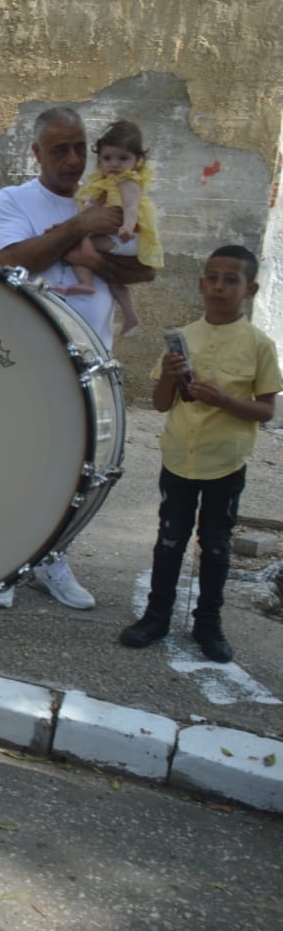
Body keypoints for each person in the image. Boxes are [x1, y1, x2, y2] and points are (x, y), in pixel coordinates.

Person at [0, 106, 156, 610]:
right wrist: (78, 227)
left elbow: (144, 269)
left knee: (73, 469)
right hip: (24, 359)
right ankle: (3, 563)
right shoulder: (16, 199)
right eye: (60, 149)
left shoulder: (108, 191)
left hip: (90, 359)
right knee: (15, 462)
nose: (75, 159)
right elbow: (11, 261)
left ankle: (52, 558)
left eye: (81, 147)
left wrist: (91, 254)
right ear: (36, 153)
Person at [120, 245, 279, 663]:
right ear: (200, 284)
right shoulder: (183, 338)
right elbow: (159, 404)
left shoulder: (259, 346)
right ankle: (156, 617)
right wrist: (169, 378)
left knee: (216, 546)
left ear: (250, 289)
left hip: (225, 462)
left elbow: (265, 410)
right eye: (212, 278)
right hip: (179, 458)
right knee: (169, 540)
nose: (219, 287)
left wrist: (226, 400)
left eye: (231, 280)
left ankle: (208, 624)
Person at [69, 119, 163, 337]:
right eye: (108, 158)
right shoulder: (104, 183)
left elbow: (131, 208)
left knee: (74, 244)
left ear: (137, 160)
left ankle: (86, 282)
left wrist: (128, 227)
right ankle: (130, 316)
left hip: (123, 238)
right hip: (117, 238)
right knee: (114, 281)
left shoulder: (127, 182)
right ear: (99, 159)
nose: (115, 164)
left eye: (123, 158)